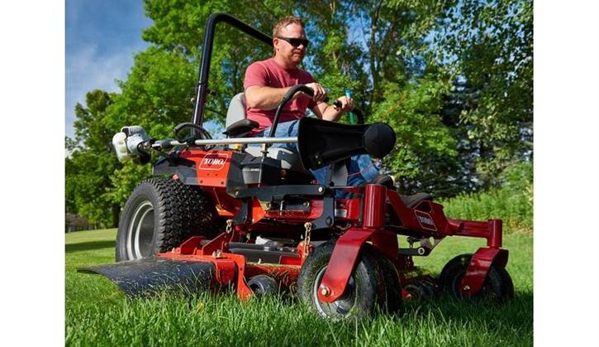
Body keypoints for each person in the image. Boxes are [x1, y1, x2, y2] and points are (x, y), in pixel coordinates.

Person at [243, 15, 383, 188]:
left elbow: (325, 116)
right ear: (276, 43)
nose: (301, 47)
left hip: (298, 134)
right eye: (295, 42)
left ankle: (373, 183)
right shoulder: (259, 68)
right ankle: (346, 191)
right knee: (307, 129)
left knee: (346, 134)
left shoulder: (305, 77)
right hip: (264, 136)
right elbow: (255, 99)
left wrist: (339, 106)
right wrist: (298, 90)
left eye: (304, 43)